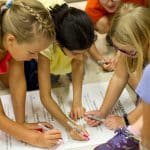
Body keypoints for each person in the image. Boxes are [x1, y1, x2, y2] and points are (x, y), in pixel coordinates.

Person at [84, 2, 150, 144]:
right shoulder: (129, 48)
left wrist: (126, 120)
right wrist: (103, 111)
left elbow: (148, 102)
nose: (121, 54)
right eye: (118, 48)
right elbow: (119, 77)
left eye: (128, 51)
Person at [0, 0, 62, 148]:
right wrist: (33, 139)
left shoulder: (14, 33)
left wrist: (20, 123)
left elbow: (17, 82)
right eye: (32, 52)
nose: (36, 58)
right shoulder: (14, 40)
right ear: (10, 41)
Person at [38, 3, 95, 140]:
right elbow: (45, 96)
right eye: (76, 53)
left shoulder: (75, 27)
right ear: (58, 43)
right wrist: (70, 125)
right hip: (45, 47)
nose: (80, 57)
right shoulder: (44, 43)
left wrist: (77, 102)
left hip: (62, 43)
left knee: (76, 64)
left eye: (84, 52)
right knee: (41, 82)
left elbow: (78, 63)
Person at [85, 0, 148, 72]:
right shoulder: (91, 7)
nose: (110, 3)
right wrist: (100, 60)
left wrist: (121, 51)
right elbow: (85, 37)